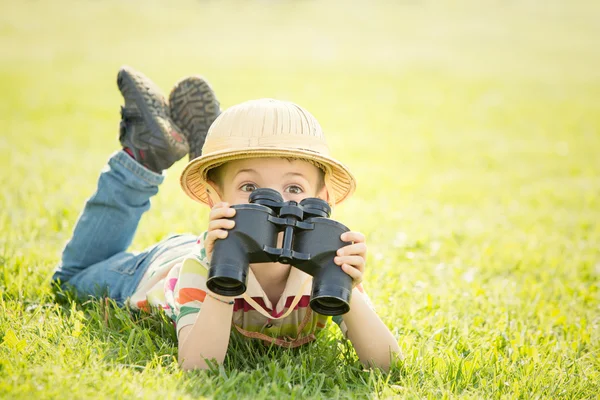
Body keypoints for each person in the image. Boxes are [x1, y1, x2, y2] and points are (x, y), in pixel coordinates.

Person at [52, 66, 401, 371]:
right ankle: (143, 159)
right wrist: (222, 288)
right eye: (250, 187)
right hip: (157, 270)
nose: (277, 204)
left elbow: (387, 365)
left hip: (232, 244)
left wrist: (349, 291)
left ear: (323, 202)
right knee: (70, 280)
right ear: (214, 200)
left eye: (295, 189)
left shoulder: (318, 270)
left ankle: (216, 153)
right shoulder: (199, 269)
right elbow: (199, 368)